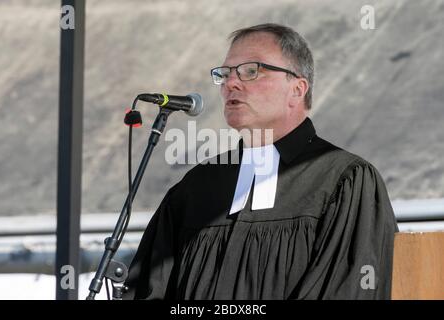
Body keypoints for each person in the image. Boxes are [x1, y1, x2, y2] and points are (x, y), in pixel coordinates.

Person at [122, 23, 398, 300]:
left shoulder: (345, 181)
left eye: (251, 71)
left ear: (297, 89)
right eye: (225, 73)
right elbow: (149, 289)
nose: (231, 83)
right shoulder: (195, 189)